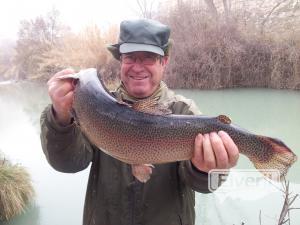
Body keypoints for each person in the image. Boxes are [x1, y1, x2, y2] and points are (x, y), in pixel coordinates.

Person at [40, 19, 239, 225]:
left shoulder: (185, 112)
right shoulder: (95, 108)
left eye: (148, 58)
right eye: (130, 58)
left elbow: (207, 185)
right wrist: (60, 118)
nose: (137, 67)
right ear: (121, 61)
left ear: (164, 61)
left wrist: (204, 171)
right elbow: (67, 164)